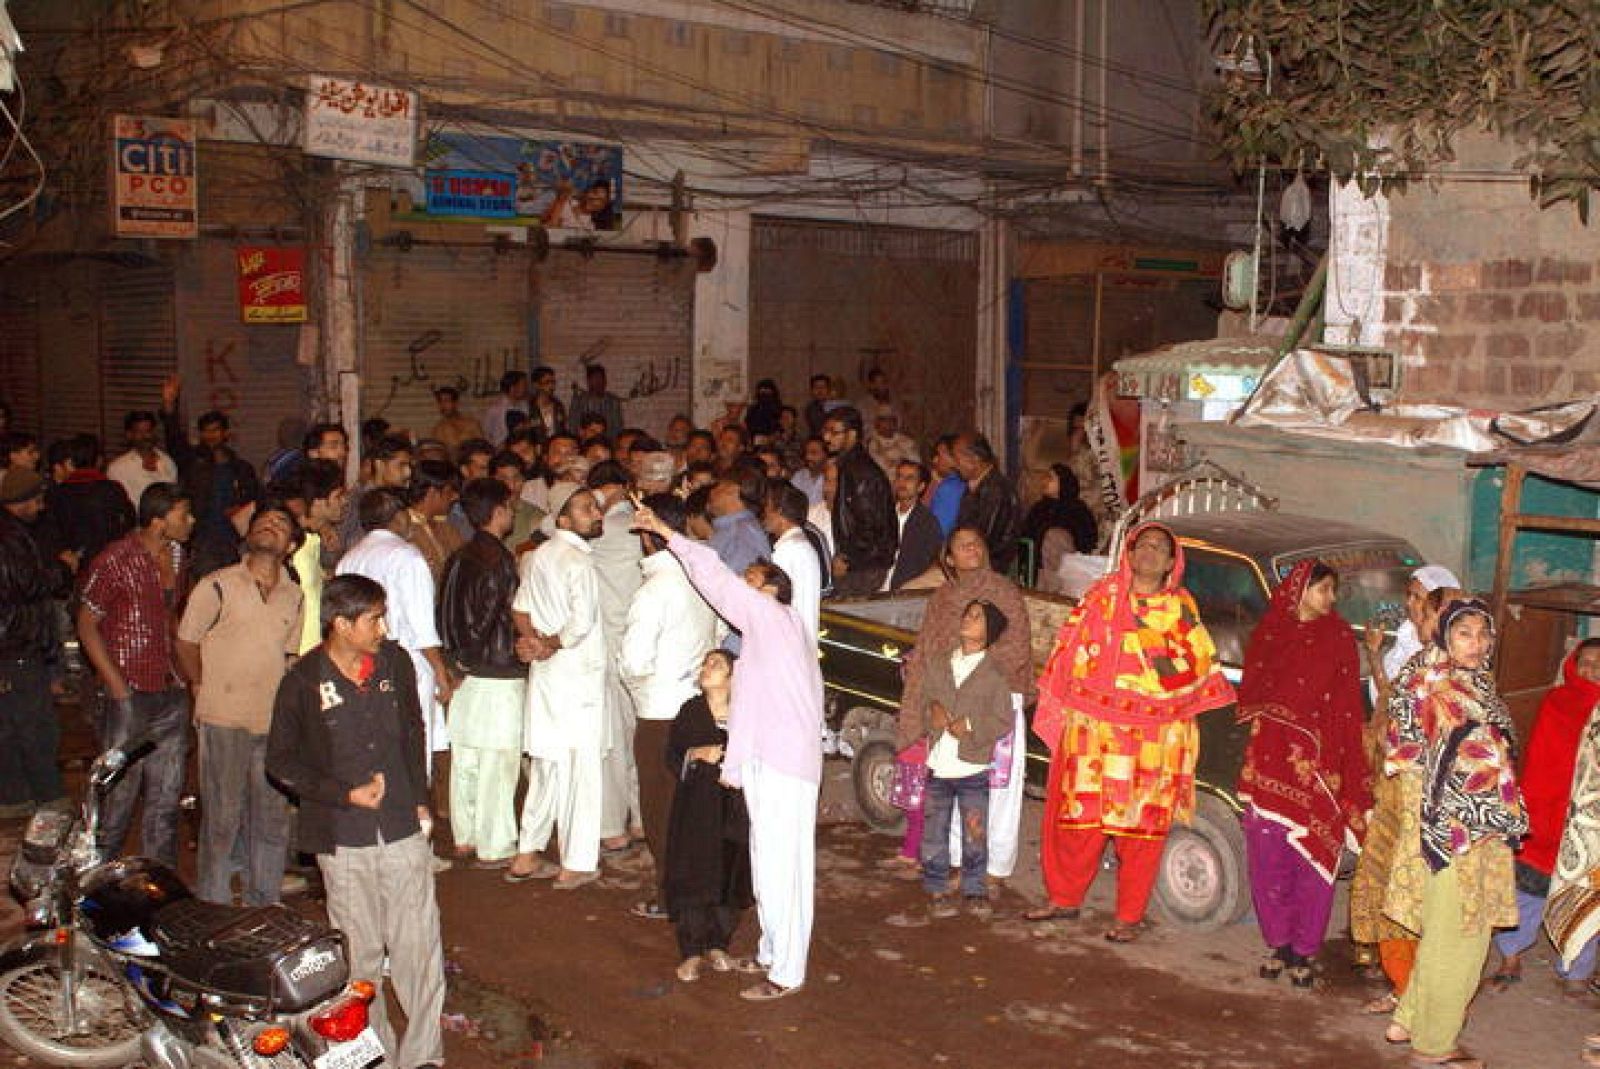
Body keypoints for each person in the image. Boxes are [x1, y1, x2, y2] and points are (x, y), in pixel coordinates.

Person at [632, 504, 823, 1001]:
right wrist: (738, 764)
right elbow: (752, 707)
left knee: (783, 867)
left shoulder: (774, 617)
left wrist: (667, 534)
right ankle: (772, 952)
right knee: (768, 861)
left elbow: (714, 579)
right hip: (774, 759)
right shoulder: (773, 635)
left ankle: (786, 972)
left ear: (772, 589)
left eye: (753, 578)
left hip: (784, 762)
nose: (744, 583)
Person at [265, 574, 447, 1069]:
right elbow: (280, 762)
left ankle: (424, 1055)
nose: (383, 628)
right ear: (342, 625)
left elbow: (413, 731)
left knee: (419, 949)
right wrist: (342, 794)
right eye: (373, 619)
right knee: (361, 959)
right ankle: (379, 1055)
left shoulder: (395, 664)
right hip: (343, 841)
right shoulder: (303, 681)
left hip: (403, 829)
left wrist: (420, 799)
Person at [1028, 523, 1236, 940]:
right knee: (1078, 822)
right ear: (1129, 550)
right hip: (1091, 733)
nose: (1150, 552)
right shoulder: (1100, 595)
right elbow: (1067, 649)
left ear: (1171, 562)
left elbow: (1195, 667)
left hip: (1151, 741)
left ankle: (1128, 916)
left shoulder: (1179, 608)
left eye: (1160, 548)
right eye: (1144, 544)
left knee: (1139, 832)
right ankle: (1064, 899)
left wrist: (1151, 672)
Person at [1382, 599, 1524, 1069]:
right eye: (1464, 633)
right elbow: (1419, 758)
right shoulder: (1438, 683)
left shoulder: (1463, 680)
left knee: (1450, 930)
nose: (1477, 643)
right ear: (1444, 635)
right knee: (1462, 936)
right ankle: (1435, 1045)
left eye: (1483, 634)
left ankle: (1408, 1018)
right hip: (1457, 832)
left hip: (1469, 827)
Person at [1236, 560, 1371, 987]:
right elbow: (1254, 693)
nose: (1331, 599)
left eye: (1333, 591)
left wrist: (1341, 764)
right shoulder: (1271, 632)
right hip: (1270, 762)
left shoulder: (1340, 637)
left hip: (1320, 765)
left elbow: (1348, 705)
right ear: (1299, 590)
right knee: (1267, 856)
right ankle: (1278, 943)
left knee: (1313, 858)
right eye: (1323, 589)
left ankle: (1305, 949)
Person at [885, 528, 1033, 881]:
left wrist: (972, 682)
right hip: (948, 700)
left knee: (997, 789)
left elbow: (1017, 650)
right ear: (949, 559)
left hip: (993, 700)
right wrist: (926, 699)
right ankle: (957, 860)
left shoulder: (1003, 592)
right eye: (962, 545)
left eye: (977, 542)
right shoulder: (943, 599)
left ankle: (994, 867)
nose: (973, 548)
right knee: (950, 777)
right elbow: (927, 649)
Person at [175, 504, 302, 906]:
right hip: (222, 718)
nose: (270, 526)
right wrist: (200, 684)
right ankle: (212, 905)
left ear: (292, 545)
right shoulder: (216, 585)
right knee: (222, 820)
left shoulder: (294, 595)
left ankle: (263, 903)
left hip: (270, 722)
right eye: (263, 521)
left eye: (281, 525)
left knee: (270, 820)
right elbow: (185, 642)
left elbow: (289, 657)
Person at [1354, 571, 1460, 1011]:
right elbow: (1391, 706)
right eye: (1413, 600)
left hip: (1433, 794)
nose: (1414, 610)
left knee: (1420, 886)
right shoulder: (1415, 660)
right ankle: (1399, 981)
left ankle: (1424, 992)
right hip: (1396, 784)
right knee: (1385, 870)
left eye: (1424, 603)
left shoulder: (1461, 670)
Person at [76, 483, 196, 866]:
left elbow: (172, 618)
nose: (190, 522)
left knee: (165, 800)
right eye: (183, 514)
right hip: (130, 689)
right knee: (117, 800)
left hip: (169, 688)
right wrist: (116, 686)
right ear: (159, 520)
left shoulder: (177, 555)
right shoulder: (116, 559)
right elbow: (86, 622)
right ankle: (94, 887)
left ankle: (158, 888)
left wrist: (191, 678)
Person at [621, 493, 720, 921]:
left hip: (660, 713)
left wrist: (644, 681)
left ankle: (671, 897)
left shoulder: (654, 591)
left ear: (648, 536)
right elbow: (717, 639)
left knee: (662, 813)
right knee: (695, 809)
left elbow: (633, 661)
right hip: (698, 709)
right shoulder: (700, 578)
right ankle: (702, 889)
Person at [507, 483, 608, 889]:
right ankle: (576, 862)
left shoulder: (538, 555)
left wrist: (532, 641)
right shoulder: (577, 562)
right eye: (586, 509)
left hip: (548, 675)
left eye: (595, 507)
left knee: (548, 764)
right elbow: (580, 625)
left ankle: (527, 853)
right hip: (575, 673)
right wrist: (547, 645)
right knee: (580, 769)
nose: (596, 514)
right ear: (563, 519)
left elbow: (519, 609)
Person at [892, 600, 1015, 924]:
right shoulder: (939, 663)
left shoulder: (994, 674)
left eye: (977, 617)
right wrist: (932, 712)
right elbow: (924, 701)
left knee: (975, 832)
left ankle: (975, 889)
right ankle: (936, 888)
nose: (968, 619)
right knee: (935, 831)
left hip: (972, 767)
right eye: (968, 614)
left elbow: (1003, 720)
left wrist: (971, 726)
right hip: (939, 764)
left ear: (989, 633)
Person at [1488, 638, 1600, 992]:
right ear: (1571, 664)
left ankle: (1577, 969)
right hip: (1546, 811)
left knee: (1585, 893)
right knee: (1526, 888)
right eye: (1585, 661)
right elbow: (1541, 761)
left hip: (1588, 822)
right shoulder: (1557, 701)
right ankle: (1510, 956)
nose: (1591, 669)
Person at [437, 478, 528, 868]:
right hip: (494, 671)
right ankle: (495, 843)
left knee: (467, 758)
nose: (511, 513)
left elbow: (443, 613)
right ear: (496, 513)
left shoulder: (458, 557)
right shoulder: (500, 561)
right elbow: (491, 617)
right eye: (508, 507)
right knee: (498, 760)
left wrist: (455, 662)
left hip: (464, 670)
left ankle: (465, 836)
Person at [337, 489, 455, 783]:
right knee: (411, 748)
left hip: (359, 666)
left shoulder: (348, 559)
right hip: (406, 665)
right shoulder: (407, 557)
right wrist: (440, 671)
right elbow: (422, 625)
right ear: (398, 517)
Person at [662, 648, 753, 982]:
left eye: (716, 664)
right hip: (697, 809)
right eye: (705, 663)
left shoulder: (746, 713)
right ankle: (691, 951)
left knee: (729, 873)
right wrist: (698, 753)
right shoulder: (690, 712)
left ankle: (718, 944)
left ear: (732, 677)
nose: (706, 668)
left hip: (733, 808)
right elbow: (673, 756)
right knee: (694, 873)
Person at [586, 461, 644, 855]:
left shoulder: (591, 533)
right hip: (642, 646)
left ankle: (612, 829)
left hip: (604, 648)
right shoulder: (640, 528)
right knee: (644, 735)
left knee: (612, 741)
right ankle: (642, 819)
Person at [0, 469, 63, 817]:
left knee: (12, 725)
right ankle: (45, 799)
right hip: (17, 647)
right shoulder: (10, 539)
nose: (41, 508)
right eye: (37, 500)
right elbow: (24, 583)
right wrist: (61, 571)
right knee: (33, 726)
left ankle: (15, 797)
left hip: (13, 647)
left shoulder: (14, 534)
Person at [159, 378, 260, 579]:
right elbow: (174, 439)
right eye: (206, 431)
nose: (211, 436)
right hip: (203, 539)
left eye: (215, 430)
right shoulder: (193, 461)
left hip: (234, 540)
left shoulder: (241, 468)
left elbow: (253, 500)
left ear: (226, 433)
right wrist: (169, 406)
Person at [821, 407, 896, 596]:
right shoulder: (851, 466)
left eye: (834, 432)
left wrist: (847, 558)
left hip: (864, 565)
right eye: (826, 432)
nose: (827, 438)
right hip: (861, 562)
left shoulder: (860, 471)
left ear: (852, 434)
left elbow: (870, 524)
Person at [276, 459, 348, 654]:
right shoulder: (290, 547)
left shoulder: (312, 541)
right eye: (338, 496)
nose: (344, 501)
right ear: (317, 502)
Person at [42, 433, 136, 572]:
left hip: (71, 567)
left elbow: (49, 533)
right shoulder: (113, 490)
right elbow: (130, 521)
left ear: (71, 462)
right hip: (110, 565)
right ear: (99, 461)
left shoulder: (56, 493)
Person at [953, 433, 1022, 576]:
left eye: (957, 459)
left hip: (987, 567)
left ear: (974, 459)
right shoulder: (976, 485)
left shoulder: (997, 490)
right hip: (969, 559)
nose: (955, 465)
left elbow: (983, 540)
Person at [763, 483, 822, 646]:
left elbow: (775, 603)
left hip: (789, 642)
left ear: (779, 511)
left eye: (767, 508)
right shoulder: (799, 545)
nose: (764, 514)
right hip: (800, 640)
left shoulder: (788, 550)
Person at [341, 434, 414, 555]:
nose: (408, 473)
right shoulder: (356, 500)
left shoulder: (400, 500)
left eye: (409, 466)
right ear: (379, 464)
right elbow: (343, 543)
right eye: (401, 465)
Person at [1021, 463, 1098, 563]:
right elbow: (1026, 535)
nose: (1045, 482)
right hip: (1037, 567)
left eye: (1050, 478)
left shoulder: (1077, 509)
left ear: (1062, 482)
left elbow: (1087, 541)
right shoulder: (1039, 508)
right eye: (1045, 477)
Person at [887, 461, 942, 591]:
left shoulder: (927, 522)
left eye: (909, 478)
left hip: (905, 590)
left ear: (921, 486)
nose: (902, 482)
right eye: (899, 477)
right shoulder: (884, 515)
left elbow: (927, 564)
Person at [107, 410, 178, 511]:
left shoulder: (167, 461)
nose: (145, 436)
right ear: (129, 435)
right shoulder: (117, 468)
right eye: (139, 432)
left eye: (148, 431)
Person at [708, 476, 770, 575]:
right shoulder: (733, 528)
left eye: (717, 486)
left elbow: (734, 582)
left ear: (733, 489)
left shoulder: (743, 533)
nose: (711, 492)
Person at [569, 364, 625, 441]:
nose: (598, 382)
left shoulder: (613, 401)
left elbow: (618, 427)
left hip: (608, 443)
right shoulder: (579, 401)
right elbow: (573, 425)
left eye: (601, 378)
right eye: (595, 378)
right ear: (588, 381)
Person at [431, 386, 486, 455]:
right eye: (440, 401)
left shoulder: (471, 423)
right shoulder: (438, 429)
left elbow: (483, 447)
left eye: (446, 401)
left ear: (456, 403)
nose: (443, 405)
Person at [481, 370, 531, 448]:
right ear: (512, 388)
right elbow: (486, 433)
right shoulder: (496, 408)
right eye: (523, 385)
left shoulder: (525, 406)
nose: (526, 389)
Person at [867, 408, 919, 476]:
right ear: (877, 423)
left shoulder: (907, 442)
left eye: (891, 420)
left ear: (896, 422)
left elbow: (916, 463)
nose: (888, 424)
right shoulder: (870, 444)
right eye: (884, 420)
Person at [528, 366, 567, 441]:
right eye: (547, 382)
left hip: (556, 445)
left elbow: (563, 428)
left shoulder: (558, 405)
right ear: (536, 385)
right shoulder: (529, 406)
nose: (551, 386)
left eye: (553, 382)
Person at [791, 436, 827, 507]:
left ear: (826, 455)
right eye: (806, 453)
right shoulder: (799, 475)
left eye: (813, 453)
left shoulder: (832, 477)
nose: (808, 457)